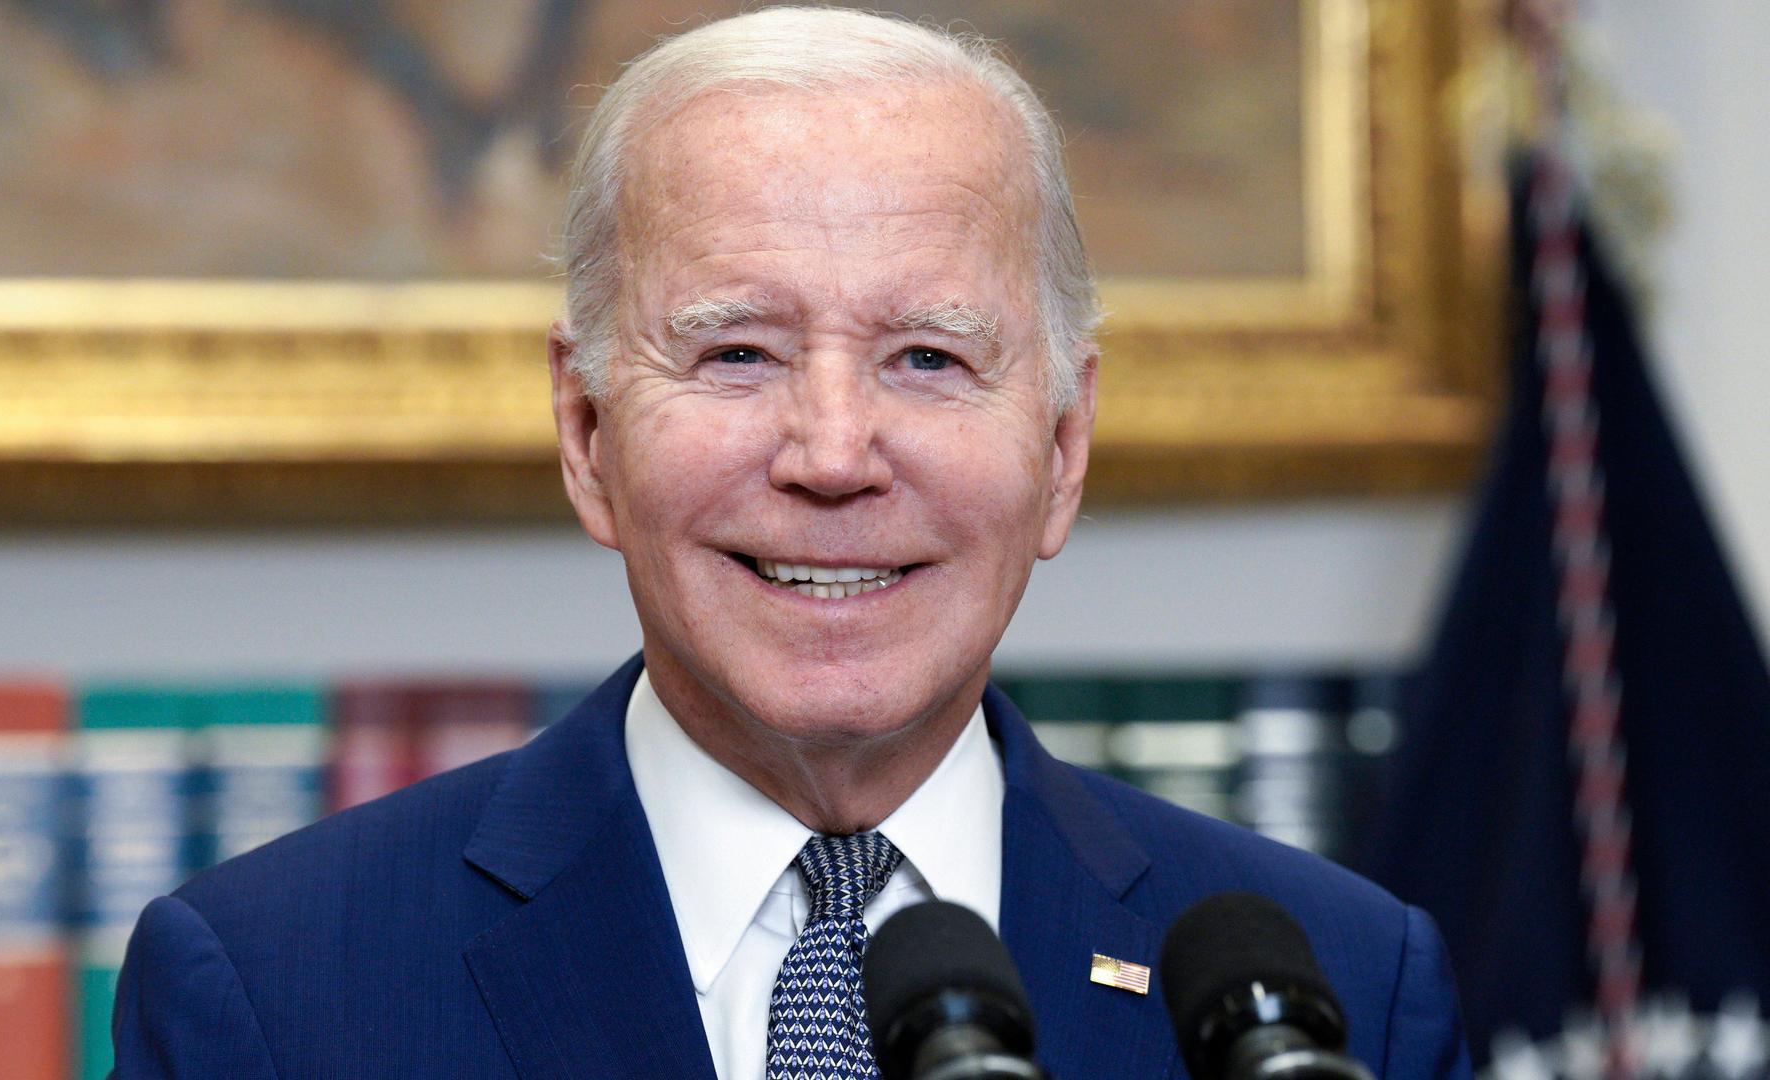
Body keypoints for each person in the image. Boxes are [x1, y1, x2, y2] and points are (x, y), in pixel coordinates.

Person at [112, 8, 1471, 1079]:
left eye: (929, 358)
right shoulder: (277, 992)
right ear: (588, 433)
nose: (832, 454)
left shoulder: (1344, 995)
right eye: (739, 351)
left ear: (1061, 449)